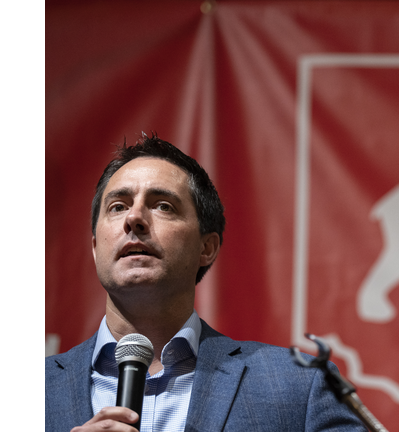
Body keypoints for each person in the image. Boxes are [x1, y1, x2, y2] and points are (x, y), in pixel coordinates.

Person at [45, 133, 365, 432]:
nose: (134, 218)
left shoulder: (299, 385)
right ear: (95, 246)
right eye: (118, 206)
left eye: (163, 206)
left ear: (206, 248)